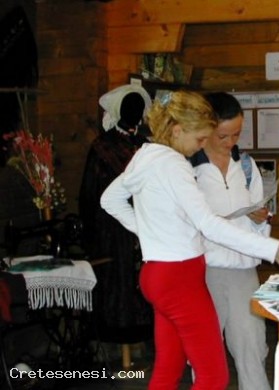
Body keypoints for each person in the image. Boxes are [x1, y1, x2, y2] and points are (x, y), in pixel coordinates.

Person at [100, 90, 279, 390]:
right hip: (180, 277)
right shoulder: (175, 164)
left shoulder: (145, 155)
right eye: (199, 139)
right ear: (178, 131)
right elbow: (209, 225)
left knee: (169, 368)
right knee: (213, 377)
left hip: (157, 273)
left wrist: (150, 233)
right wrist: (274, 248)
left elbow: (110, 199)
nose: (202, 145)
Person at [189, 92, 271, 390]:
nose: (231, 142)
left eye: (237, 134)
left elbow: (259, 218)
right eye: (224, 135)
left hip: (243, 271)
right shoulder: (188, 169)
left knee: (252, 347)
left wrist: (260, 218)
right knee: (204, 354)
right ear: (205, 129)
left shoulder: (246, 167)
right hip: (203, 271)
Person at [79, 84, 154, 344]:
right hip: (112, 229)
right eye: (129, 106)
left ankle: (146, 338)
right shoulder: (103, 146)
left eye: (138, 106)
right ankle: (119, 341)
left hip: (146, 225)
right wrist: (90, 233)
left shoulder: (146, 145)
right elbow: (90, 192)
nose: (135, 111)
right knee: (119, 284)